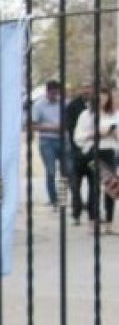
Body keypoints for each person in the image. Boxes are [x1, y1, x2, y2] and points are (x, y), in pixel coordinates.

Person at [73, 85, 117, 233]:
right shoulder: (86, 115)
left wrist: (113, 132)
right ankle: (93, 222)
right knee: (95, 187)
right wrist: (95, 133)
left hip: (109, 151)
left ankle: (109, 223)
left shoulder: (113, 115)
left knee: (111, 188)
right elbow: (78, 137)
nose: (103, 100)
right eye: (100, 97)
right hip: (94, 152)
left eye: (106, 97)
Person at [30, 80, 64, 208]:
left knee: (67, 170)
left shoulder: (62, 103)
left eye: (57, 93)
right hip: (47, 140)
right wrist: (52, 127)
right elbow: (32, 125)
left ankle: (65, 197)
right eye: (52, 93)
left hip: (62, 139)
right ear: (47, 92)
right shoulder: (38, 105)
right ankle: (53, 198)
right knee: (51, 170)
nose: (54, 96)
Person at [66, 83, 94, 224]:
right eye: (84, 87)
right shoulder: (73, 106)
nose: (86, 90)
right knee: (75, 184)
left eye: (89, 87)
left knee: (93, 184)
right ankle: (76, 214)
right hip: (75, 150)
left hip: (94, 152)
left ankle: (92, 214)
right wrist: (78, 146)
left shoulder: (98, 105)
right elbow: (70, 128)